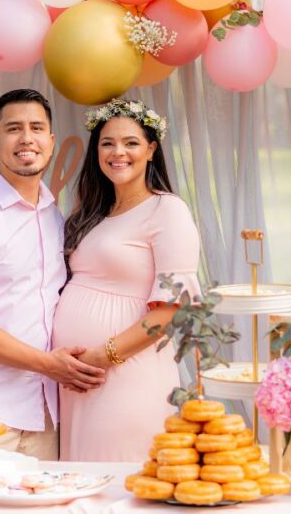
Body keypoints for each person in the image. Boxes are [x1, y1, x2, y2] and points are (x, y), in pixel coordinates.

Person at [0, 89, 105, 461]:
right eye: (13, 129)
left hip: (48, 411)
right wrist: (49, 365)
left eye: (36, 128)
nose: (26, 138)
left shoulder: (52, 213)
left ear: (51, 141)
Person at [53, 98, 202, 462]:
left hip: (126, 373)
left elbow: (171, 311)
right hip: (79, 377)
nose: (118, 152)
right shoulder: (93, 213)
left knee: (119, 480)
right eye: (107, 143)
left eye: (131, 143)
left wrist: (101, 357)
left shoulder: (167, 210)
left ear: (151, 150)